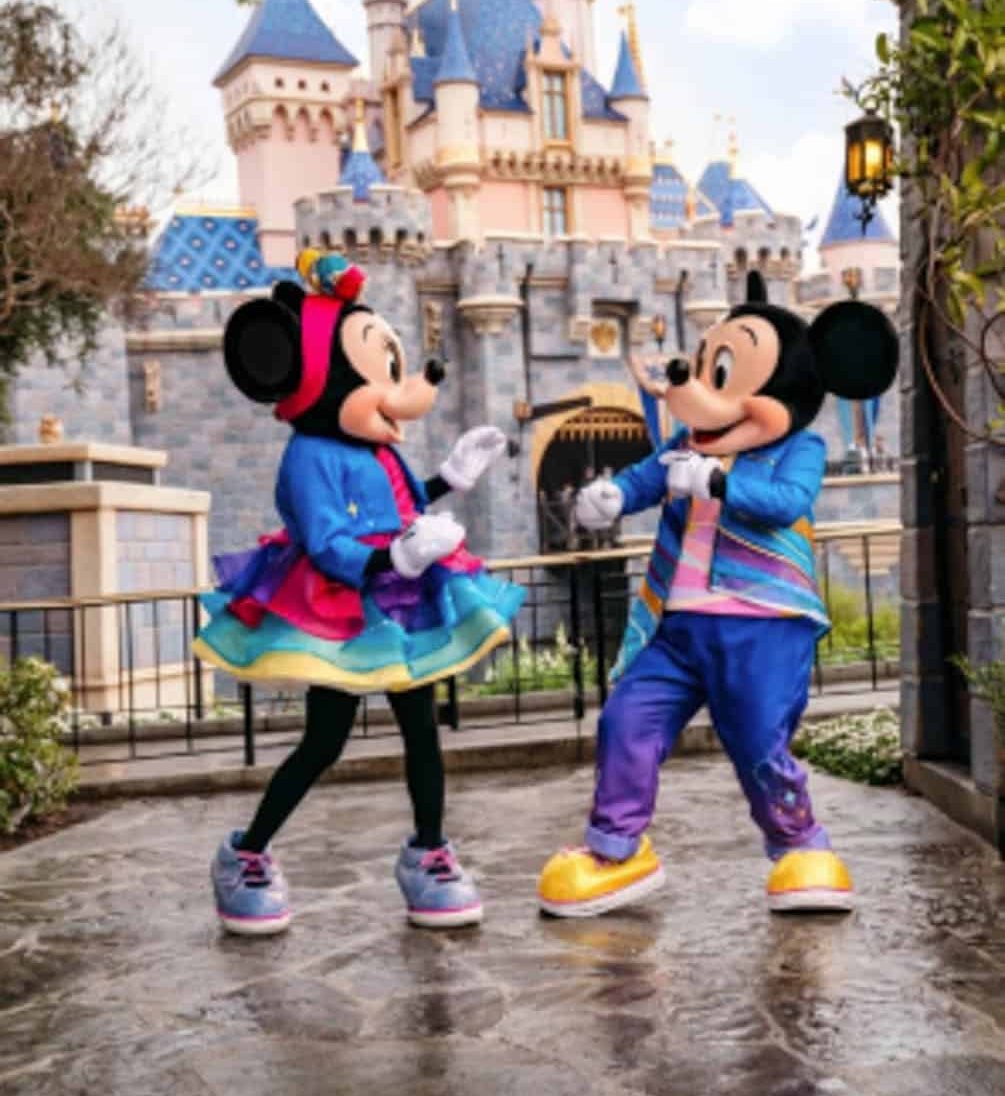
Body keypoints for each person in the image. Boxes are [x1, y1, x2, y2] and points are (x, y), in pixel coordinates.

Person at [537, 269, 898, 918]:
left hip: (763, 623)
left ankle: (800, 844)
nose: (700, 391)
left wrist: (719, 483)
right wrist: (610, 495)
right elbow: (648, 477)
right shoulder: (686, 444)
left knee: (758, 742)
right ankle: (616, 849)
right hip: (676, 627)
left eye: (722, 375)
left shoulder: (801, 447)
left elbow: (789, 503)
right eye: (706, 370)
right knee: (626, 721)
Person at [195, 250, 523, 934]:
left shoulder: (377, 449)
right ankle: (244, 852)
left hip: (400, 600)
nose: (402, 390)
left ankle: (429, 852)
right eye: (378, 374)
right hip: (342, 606)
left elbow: (397, 508)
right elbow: (327, 543)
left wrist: (449, 479)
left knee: (421, 729)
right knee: (325, 739)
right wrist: (393, 557)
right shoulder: (309, 456)